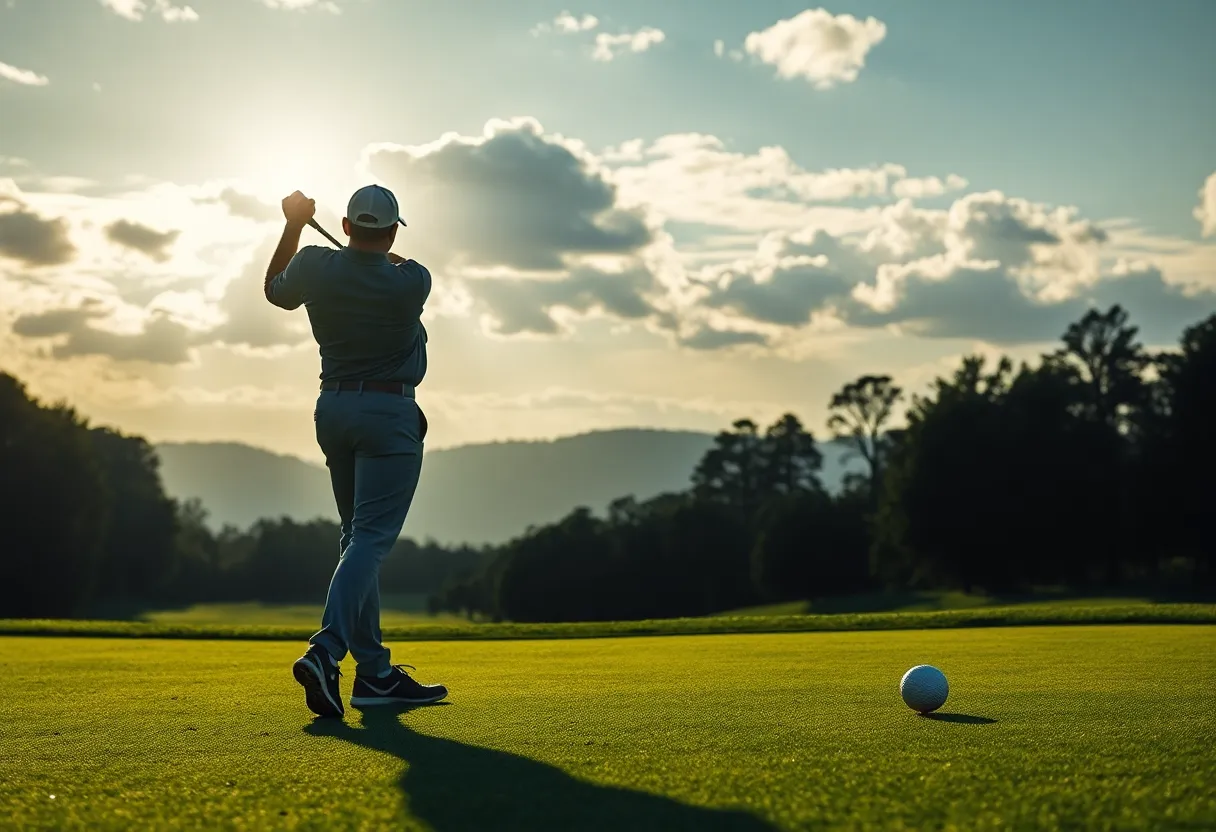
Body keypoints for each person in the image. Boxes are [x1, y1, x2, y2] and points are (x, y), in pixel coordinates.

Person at [264, 184, 448, 719]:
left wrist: (295, 224)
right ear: (391, 230)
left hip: (334, 410)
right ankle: (326, 651)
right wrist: (375, 253)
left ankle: (375, 677)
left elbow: (276, 290)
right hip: (389, 415)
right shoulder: (412, 282)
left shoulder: (316, 265)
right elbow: (397, 264)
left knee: (355, 541)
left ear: (345, 226)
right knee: (369, 540)